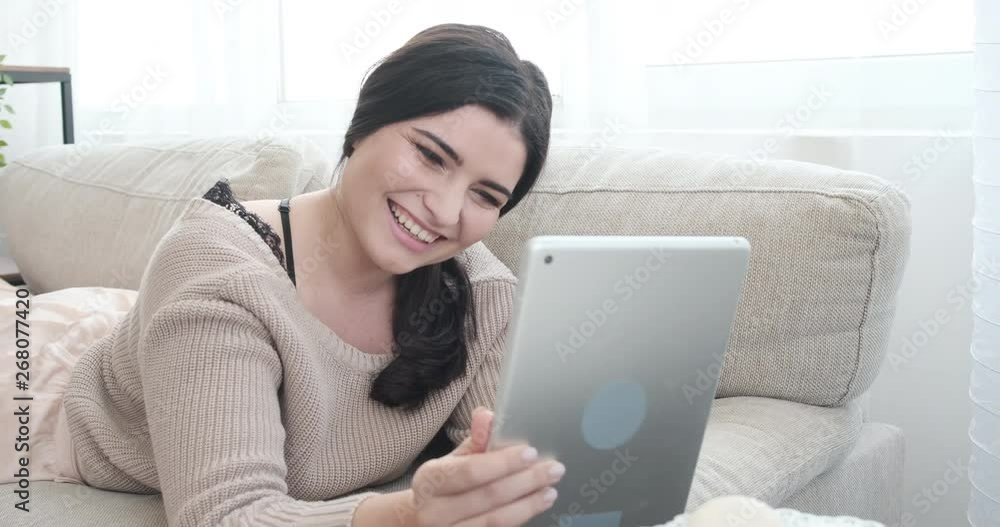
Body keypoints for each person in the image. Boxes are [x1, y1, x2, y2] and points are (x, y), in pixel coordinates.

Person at [8, 23, 560, 526]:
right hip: (35, 385)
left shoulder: (482, 293)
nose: (444, 210)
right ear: (363, 125)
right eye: (431, 156)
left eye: (485, 195)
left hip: (148, 323)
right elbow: (224, 515)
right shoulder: (219, 275)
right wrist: (408, 515)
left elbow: (529, 474)